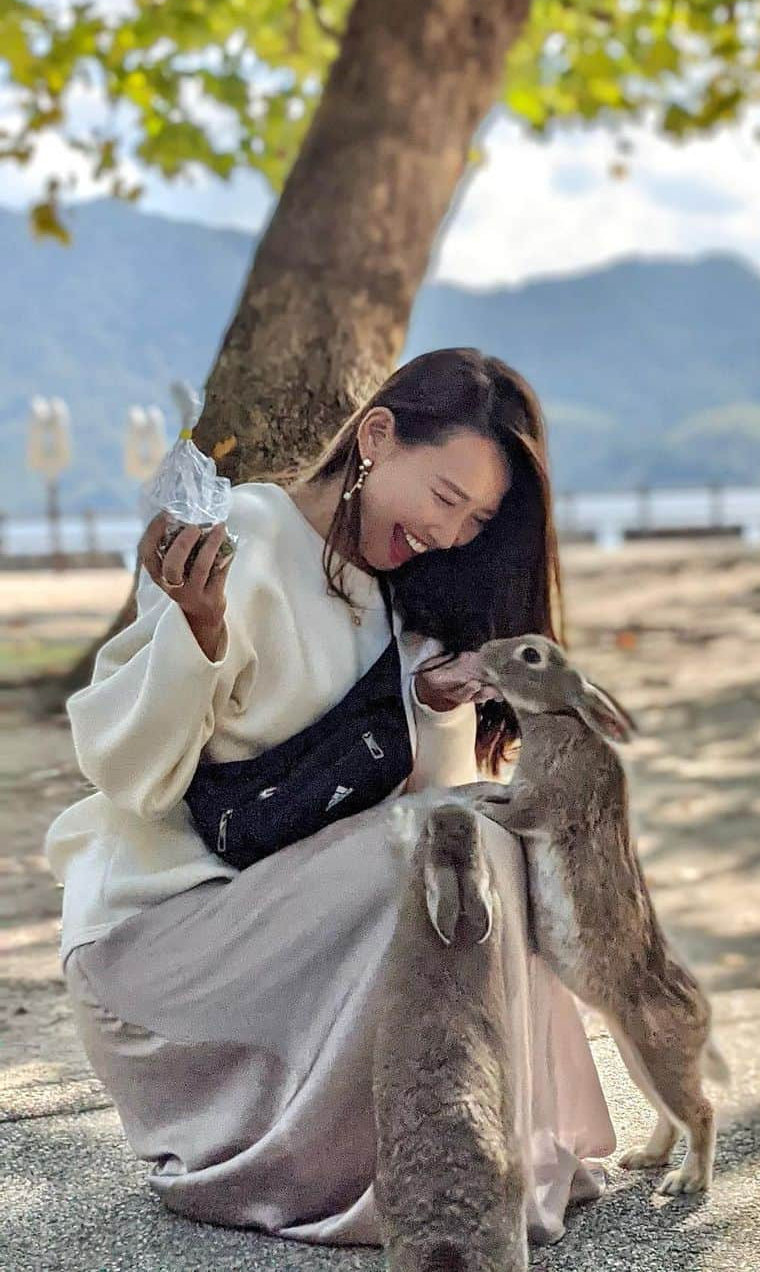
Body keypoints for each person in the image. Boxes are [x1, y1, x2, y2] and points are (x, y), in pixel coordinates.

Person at [44, 348, 615, 1247]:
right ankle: (422, 1160)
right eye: (442, 497)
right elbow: (125, 774)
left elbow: (403, 814)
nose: (452, 534)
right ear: (378, 438)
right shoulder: (247, 539)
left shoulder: (393, 600)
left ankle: (456, 1147)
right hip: (156, 941)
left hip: (276, 931)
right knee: (451, 836)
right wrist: (194, 633)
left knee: (485, 826)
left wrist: (427, 707)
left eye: (477, 520)